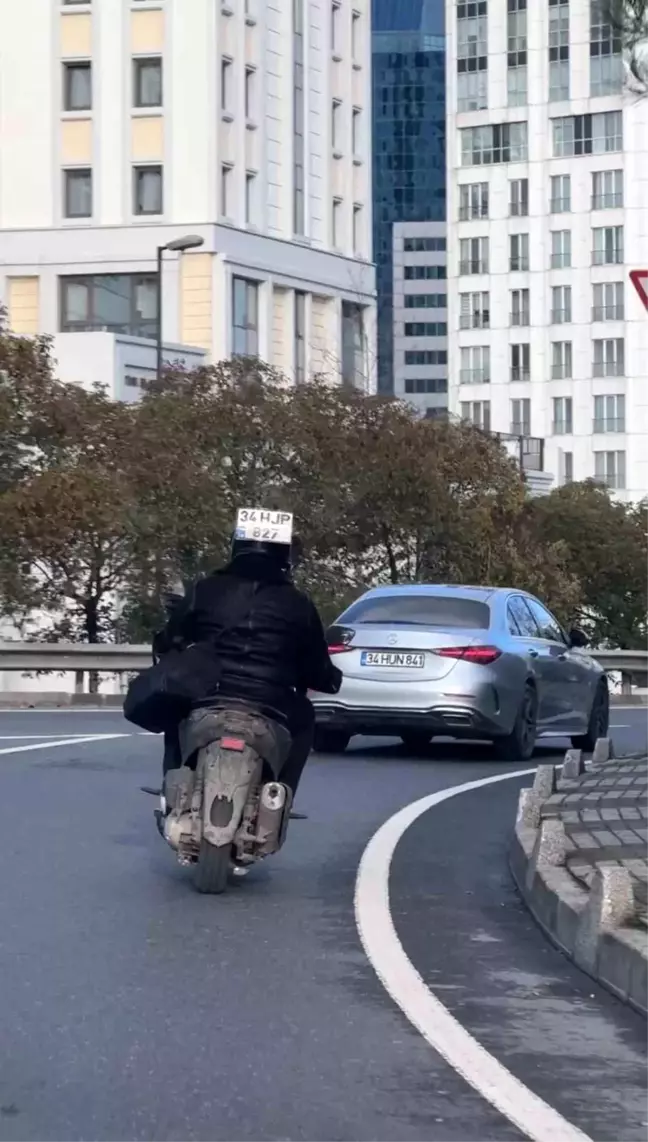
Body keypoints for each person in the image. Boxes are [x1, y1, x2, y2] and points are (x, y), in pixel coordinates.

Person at [151, 526, 342, 813]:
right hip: (271, 703)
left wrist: (171, 648)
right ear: (286, 557)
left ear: (235, 548)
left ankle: (172, 789)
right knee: (305, 717)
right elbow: (317, 666)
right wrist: (328, 678)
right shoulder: (298, 604)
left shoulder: (204, 589)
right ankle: (279, 800)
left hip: (207, 693)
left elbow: (171, 638)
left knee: (173, 713)